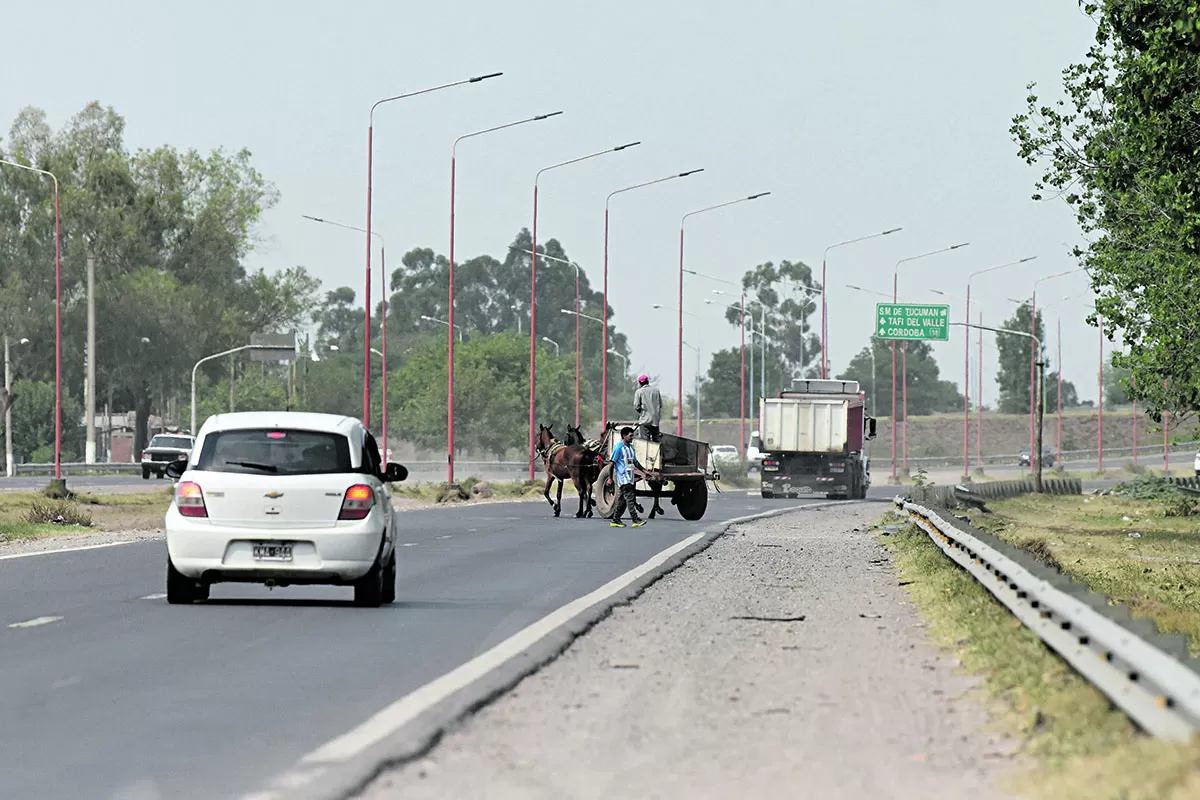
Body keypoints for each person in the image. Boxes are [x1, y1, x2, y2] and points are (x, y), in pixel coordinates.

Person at [609, 426, 647, 528]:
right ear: (624, 436)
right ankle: (635, 519)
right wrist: (610, 478)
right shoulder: (618, 448)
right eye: (630, 436)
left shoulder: (631, 447)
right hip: (622, 478)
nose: (632, 438)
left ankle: (615, 520)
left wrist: (644, 471)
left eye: (632, 436)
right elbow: (611, 464)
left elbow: (635, 462)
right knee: (630, 498)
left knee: (622, 500)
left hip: (629, 478)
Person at [633, 374, 662, 441]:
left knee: (645, 441)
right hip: (655, 420)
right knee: (656, 440)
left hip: (644, 420)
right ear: (648, 381)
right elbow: (660, 405)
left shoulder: (639, 392)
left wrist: (641, 412)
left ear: (640, 383)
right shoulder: (656, 391)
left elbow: (636, 406)